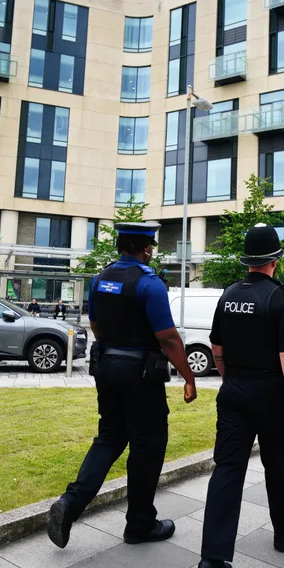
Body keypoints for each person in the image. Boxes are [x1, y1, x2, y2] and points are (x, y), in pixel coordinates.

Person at [48, 221, 197, 549]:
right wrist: (188, 377)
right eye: (151, 247)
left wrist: (115, 352)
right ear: (146, 248)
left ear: (120, 246)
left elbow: (95, 324)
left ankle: (70, 503)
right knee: (148, 444)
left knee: (109, 438)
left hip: (106, 368)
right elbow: (168, 338)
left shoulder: (100, 278)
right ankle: (140, 525)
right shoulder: (149, 283)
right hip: (140, 375)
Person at [197, 224, 284, 568]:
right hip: (272, 395)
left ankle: (213, 559)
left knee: (227, 470)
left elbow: (217, 347)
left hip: (234, 391)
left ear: (246, 260)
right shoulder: (281, 298)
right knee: (277, 468)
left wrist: (229, 378)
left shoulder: (228, 294)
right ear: (275, 260)